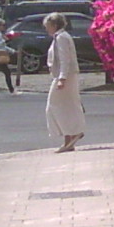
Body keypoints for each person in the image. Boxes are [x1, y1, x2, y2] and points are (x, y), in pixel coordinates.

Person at [44, 12, 84, 153]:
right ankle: (69, 138)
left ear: (54, 25)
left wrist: (62, 78)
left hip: (65, 77)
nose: (46, 29)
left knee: (54, 105)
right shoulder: (60, 37)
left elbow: (64, 59)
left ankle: (74, 132)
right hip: (64, 76)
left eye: (48, 26)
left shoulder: (61, 38)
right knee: (67, 105)